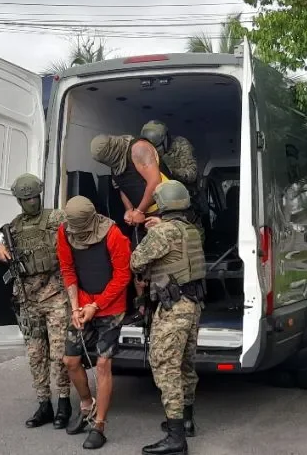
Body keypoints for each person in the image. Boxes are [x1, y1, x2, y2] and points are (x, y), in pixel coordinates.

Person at [130, 180, 206, 455]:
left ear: (162, 204)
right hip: (193, 303)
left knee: (165, 365)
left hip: (173, 306)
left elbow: (136, 262)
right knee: (185, 363)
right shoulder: (191, 230)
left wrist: (153, 232)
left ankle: (176, 439)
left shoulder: (162, 233)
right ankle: (185, 421)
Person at [0, 173, 72, 430]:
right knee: (35, 354)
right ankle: (43, 403)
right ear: (19, 200)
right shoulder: (14, 227)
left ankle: (63, 402)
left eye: (34, 197)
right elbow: (3, 245)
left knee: (60, 353)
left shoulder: (57, 218)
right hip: (28, 299)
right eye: (26, 198)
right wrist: (0, 248)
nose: (32, 202)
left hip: (56, 295)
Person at [57, 196, 132, 450]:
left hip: (111, 307)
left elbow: (123, 276)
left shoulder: (114, 235)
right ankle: (87, 405)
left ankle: (99, 426)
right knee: (70, 360)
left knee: (102, 364)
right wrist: (76, 307)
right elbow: (67, 268)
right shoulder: (64, 232)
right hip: (83, 303)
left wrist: (96, 306)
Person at [90, 134, 169, 322]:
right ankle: (142, 309)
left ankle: (163, 307)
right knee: (137, 263)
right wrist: (130, 211)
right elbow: (123, 188)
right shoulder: (114, 161)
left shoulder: (138, 149)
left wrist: (140, 211)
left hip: (163, 210)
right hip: (141, 214)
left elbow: (155, 182)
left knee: (161, 262)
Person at [141, 120, 204, 243]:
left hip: (185, 200)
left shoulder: (181, 145)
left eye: (157, 148)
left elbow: (192, 174)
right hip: (162, 202)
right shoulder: (143, 149)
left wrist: (170, 171)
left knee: (192, 236)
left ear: (165, 140)